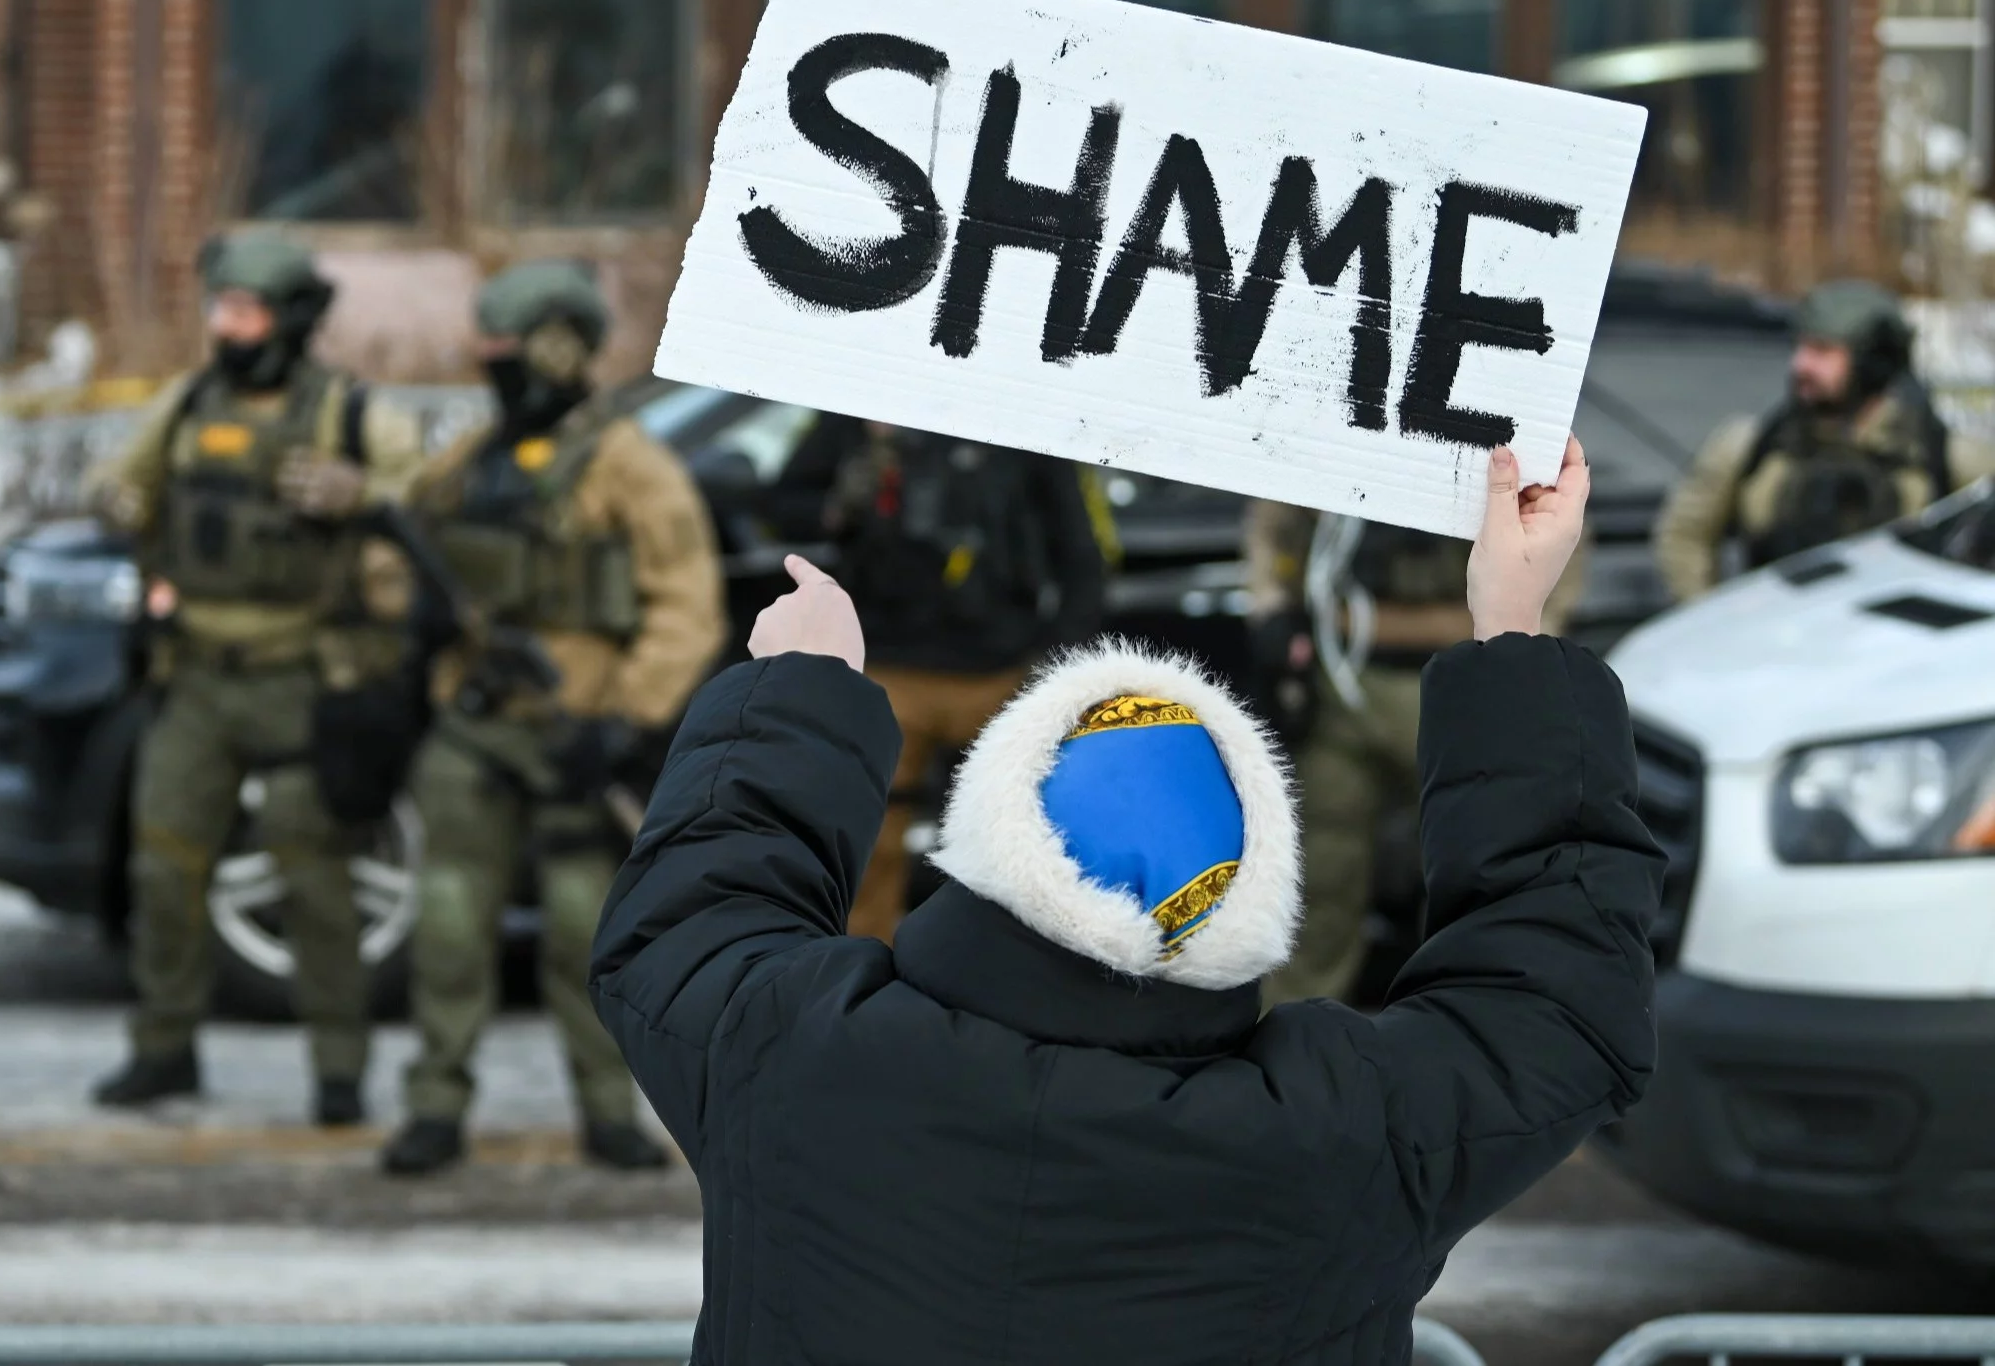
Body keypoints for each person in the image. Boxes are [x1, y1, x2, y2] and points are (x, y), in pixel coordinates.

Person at [592, 439, 1660, 1363]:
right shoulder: (1341, 1142)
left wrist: (802, 686)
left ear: (992, 833)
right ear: (1242, 891)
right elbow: (1556, 1002)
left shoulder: (789, 1057)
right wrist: (1510, 628)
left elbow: (692, 907)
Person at [380, 260, 726, 1176]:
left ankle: (609, 1109)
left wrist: (627, 720)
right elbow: (405, 550)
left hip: (578, 733)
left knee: (585, 932)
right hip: (474, 729)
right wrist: (408, 614)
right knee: (451, 922)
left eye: (504, 354)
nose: (491, 370)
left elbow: (686, 604)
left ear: (557, 351)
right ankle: (436, 1104)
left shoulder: (627, 466)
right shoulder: (470, 460)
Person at [81, 230, 427, 1120]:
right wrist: (117, 500)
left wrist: (360, 494)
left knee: (315, 882)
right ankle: (164, 1050)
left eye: (246, 311)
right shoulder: (189, 405)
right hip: (196, 677)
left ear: (291, 320)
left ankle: (339, 1070)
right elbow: (120, 479)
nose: (227, 327)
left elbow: (427, 501)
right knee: (162, 869)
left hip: (301, 677)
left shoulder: (346, 414)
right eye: (219, 309)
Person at [1243, 502, 1587, 1005]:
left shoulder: (1517, 445)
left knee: (1478, 887)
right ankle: (1289, 1044)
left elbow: (1559, 554)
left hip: (1470, 688)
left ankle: (1469, 1032)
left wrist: (1525, 640)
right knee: (1319, 882)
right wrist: (1273, 606)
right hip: (1349, 685)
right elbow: (1276, 525)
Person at [814, 420, 1108, 943]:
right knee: (863, 846)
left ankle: (1006, 976)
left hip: (997, 674)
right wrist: (841, 501)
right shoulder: (860, 412)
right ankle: (855, 978)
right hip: (887, 669)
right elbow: (787, 510)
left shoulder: (1024, 425)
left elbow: (1084, 556)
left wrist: (1051, 665)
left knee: (1017, 844)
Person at [1656, 279, 1995, 600]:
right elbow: (1685, 535)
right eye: (1800, 348)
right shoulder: (1751, 446)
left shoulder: (1947, 457)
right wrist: (1709, 619)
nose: (1801, 365)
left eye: (1822, 351)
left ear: (1873, 361)